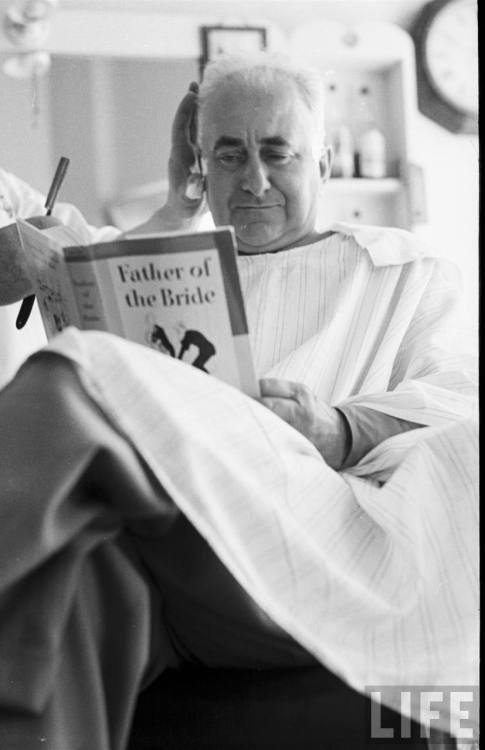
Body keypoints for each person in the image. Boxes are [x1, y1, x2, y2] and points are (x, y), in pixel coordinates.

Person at [0, 53, 478, 750]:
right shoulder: (166, 256)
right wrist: (165, 212)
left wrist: (339, 428)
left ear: (320, 161)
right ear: (200, 166)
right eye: (228, 156)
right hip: (167, 536)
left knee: (72, 374)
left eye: (277, 154)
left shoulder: (400, 271)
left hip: (299, 536)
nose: (253, 180)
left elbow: (456, 400)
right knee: (79, 578)